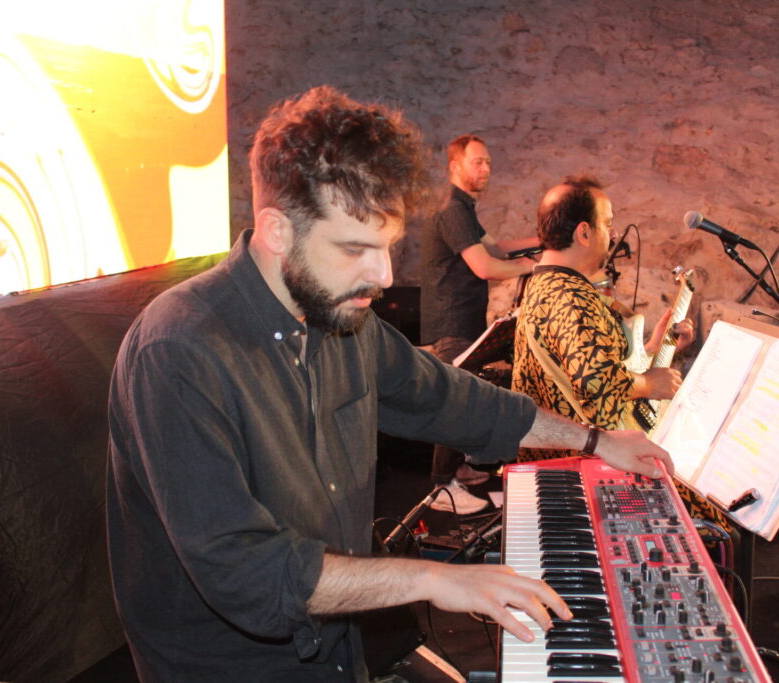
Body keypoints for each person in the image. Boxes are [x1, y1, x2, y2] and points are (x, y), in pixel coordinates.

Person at [107, 88, 673, 682]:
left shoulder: (341, 319)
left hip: (342, 648)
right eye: (356, 249)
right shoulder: (178, 351)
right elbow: (247, 573)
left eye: (388, 248)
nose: (382, 275)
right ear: (277, 231)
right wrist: (433, 578)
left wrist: (594, 440)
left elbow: (450, 399)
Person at [512, 176, 695, 461]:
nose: (612, 235)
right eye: (608, 224)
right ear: (584, 233)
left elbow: (588, 364)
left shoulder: (545, 283)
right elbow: (594, 381)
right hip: (580, 465)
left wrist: (652, 349)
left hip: (558, 458)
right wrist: (649, 384)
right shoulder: (569, 294)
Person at [419, 134, 538, 513]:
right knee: (453, 401)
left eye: (488, 162)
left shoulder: (464, 208)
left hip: (463, 319)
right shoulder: (452, 209)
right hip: (451, 319)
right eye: (478, 162)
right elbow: (485, 266)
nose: (486, 169)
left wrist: (544, 243)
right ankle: (441, 488)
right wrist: (532, 267)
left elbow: (496, 248)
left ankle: (459, 469)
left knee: (465, 395)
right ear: (455, 166)